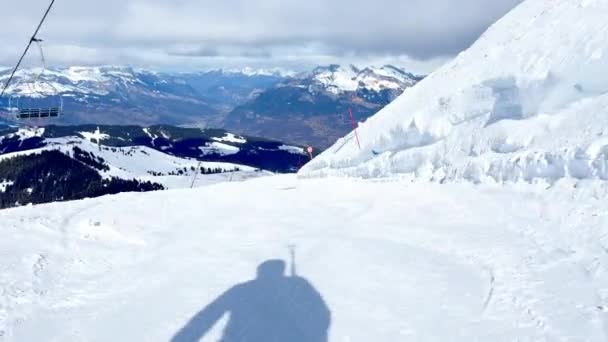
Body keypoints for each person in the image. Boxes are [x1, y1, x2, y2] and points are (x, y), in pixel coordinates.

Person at [171, 259, 331, 342]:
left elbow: (206, 318)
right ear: (281, 270)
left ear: (260, 272)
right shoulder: (299, 284)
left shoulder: (242, 289)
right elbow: (322, 315)